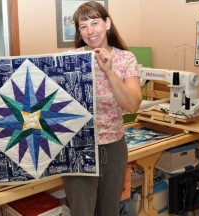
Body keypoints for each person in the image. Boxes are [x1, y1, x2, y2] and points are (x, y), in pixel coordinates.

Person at [62, 2, 142, 216]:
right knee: (82, 212)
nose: (90, 31)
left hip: (113, 148)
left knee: (109, 211)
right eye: (83, 26)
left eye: (95, 23)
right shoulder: (70, 60)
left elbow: (133, 104)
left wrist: (109, 72)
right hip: (78, 147)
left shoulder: (126, 59)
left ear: (107, 23)